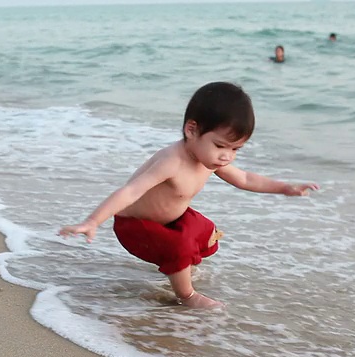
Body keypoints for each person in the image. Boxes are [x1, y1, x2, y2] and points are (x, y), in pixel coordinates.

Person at [59, 82, 319, 309]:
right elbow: (131, 191)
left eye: (236, 149)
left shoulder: (211, 159)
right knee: (179, 246)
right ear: (191, 130)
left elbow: (246, 179)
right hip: (135, 226)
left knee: (206, 232)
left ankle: (179, 268)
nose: (227, 156)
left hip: (171, 219)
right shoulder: (171, 161)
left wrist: (285, 188)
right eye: (220, 146)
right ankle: (186, 294)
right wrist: (93, 221)